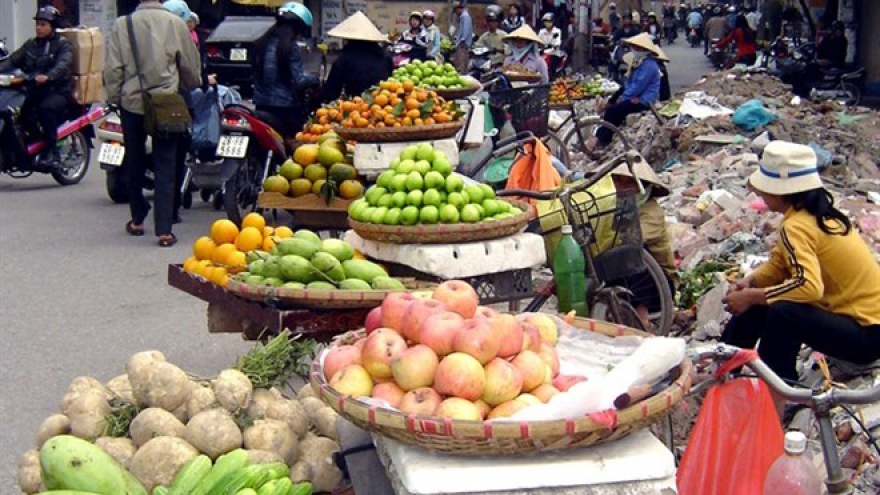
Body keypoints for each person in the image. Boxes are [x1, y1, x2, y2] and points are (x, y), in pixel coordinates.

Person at [721, 140, 880, 413]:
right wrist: (752, 283)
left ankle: (781, 394)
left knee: (782, 313)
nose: (760, 192)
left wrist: (753, 296)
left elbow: (809, 287)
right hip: (860, 326)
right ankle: (724, 365)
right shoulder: (816, 216)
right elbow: (780, 265)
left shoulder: (796, 226)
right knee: (763, 302)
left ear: (781, 192)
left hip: (866, 336)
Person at [105, 0, 201, 247]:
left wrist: (115, 96)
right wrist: (191, 84)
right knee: (166, 164)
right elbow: (190, 65)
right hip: (166, 100)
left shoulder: (122, 24)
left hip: (132, 102)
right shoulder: (176, 23)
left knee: (134, 158)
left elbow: (114, 67)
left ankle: (137, 218)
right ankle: (164, 230)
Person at [0, 6, 73, 167]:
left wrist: (49, 76)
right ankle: (29, 142)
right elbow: (12, 60)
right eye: (38, 24)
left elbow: (63, 65)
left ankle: (53, 152)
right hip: (35, 89)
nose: (39, 28)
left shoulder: (62, 45)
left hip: (57, 91)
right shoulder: (31, 45)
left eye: (43, 24)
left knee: (45, 108)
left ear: (52, 26)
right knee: (17, 111)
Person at [251, 2, 318, 140]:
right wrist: (314, 79)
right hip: (286, 109)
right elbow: (299, 81)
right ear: (298, 27)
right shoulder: (289, 47)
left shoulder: (261, 44)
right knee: (297, 144)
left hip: (261, 106)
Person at [589, 33, 661, 150]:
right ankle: (601, 139)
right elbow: (629, 84)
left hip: (644, 100)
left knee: (613, 112)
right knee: (613, 112)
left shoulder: (649, 66)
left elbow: (638, 86)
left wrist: (623, 99)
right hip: (636, 97)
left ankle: (601, 141)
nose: (634, 50)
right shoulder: (640, 63)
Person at [321, 11, 392, 102]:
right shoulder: (385, 57)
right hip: (382, 105)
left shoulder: (345, 58)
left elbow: (331, 90)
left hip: (356, 107)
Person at [452, 1, 473, 72]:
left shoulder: (465, 17)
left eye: (455, 11)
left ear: (459, 9)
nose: (456, 13)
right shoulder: (462, 17)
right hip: (462, 43)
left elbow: (465, 30)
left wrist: (462, 40)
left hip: (463, 44)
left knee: (461, 64)